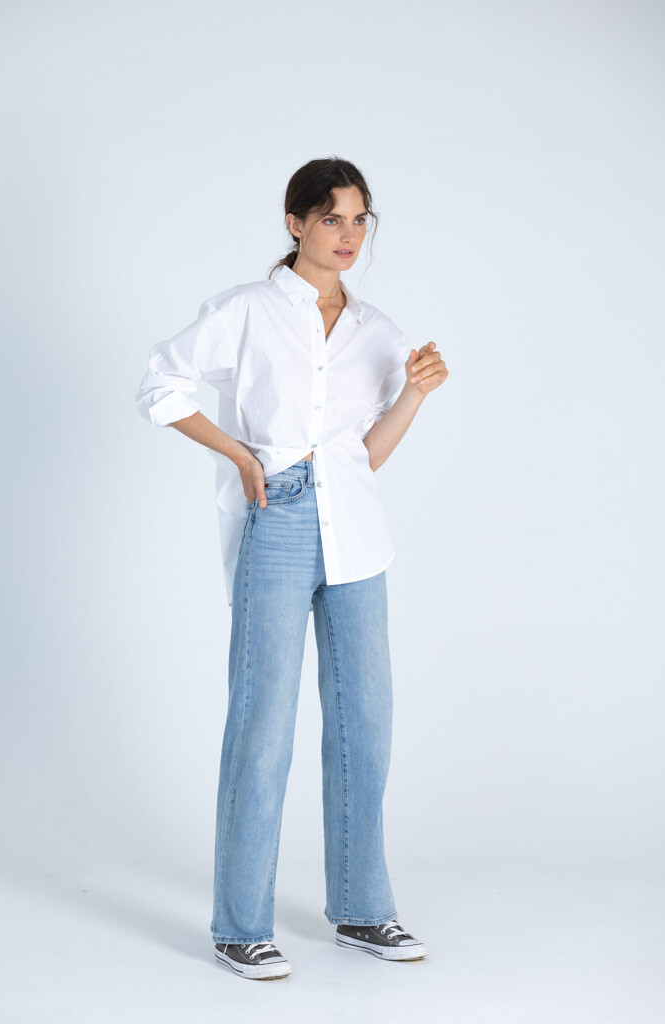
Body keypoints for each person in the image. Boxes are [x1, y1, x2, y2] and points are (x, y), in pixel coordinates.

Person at [135, 156, 449, 981]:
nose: (348, 235)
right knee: (263, 723)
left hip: (357, 529)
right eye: (332, 218)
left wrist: (414, 394)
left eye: (359, 220)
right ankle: (241, 924)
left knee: (366, 722)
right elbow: (160, 384)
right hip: (276, 516)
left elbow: (364, 456)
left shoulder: (376, 330)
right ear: (295, 222)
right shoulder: (246, 310)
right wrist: (239, 454)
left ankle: (363, 909)